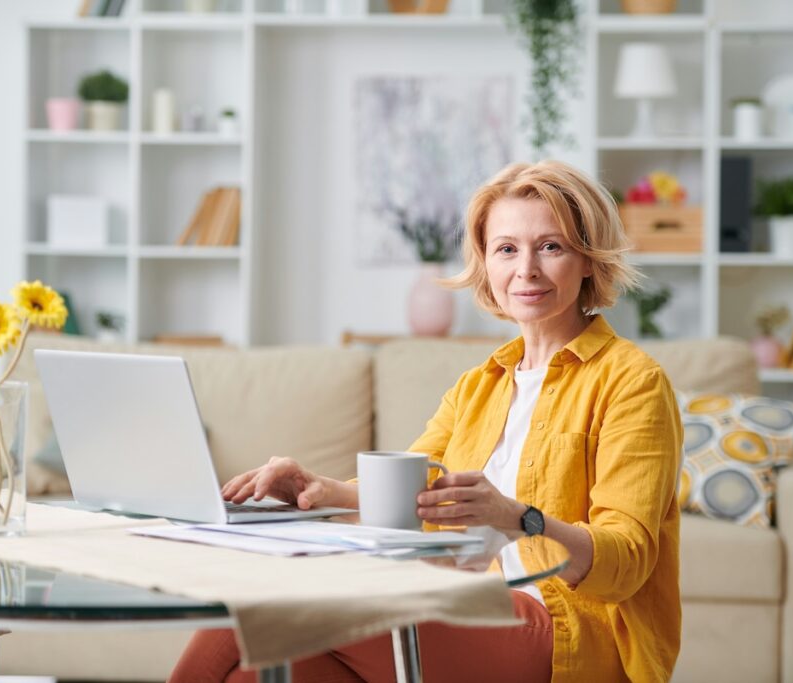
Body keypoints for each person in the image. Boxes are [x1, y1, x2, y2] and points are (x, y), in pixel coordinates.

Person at [169, 160, 683, 683]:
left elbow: (627, 564)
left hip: (560, 634)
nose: (525, 269)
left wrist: (516, 517)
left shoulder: (633, 382)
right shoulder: (478, 386)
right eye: (506, 249)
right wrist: (315, 488)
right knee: (259, 672)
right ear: (486, 263)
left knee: (261, 596)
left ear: (589, 260)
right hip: (465, 603)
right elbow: (414, 496)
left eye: (551, 247)